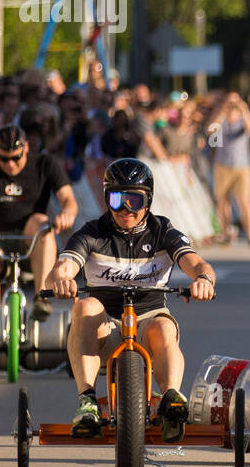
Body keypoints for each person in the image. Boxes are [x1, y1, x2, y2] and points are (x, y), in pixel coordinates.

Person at [47, 158, 217, 440]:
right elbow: (63, 267)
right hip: (106, 327)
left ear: (147, 202)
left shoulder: (163, 231)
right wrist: (61, 280)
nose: (126, 209)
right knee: (85, 305)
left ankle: (171, 399)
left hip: (150, 321)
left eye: (134, 201)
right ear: (106, 200)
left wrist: (203, 280)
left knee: (164, 328)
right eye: (117, 199)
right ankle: (87, 401)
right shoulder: (92, 232)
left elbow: (197, 264)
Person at [0, 125, 78, 366]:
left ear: (26, 148)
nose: (10, 164)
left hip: (32, 238)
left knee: (42, 223)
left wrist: (67, 214)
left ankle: (42, 297)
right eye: (3, 159)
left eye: (16, 158)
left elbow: (69, 201)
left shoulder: (45, 164)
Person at [209, 91, 250, 246]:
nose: (232, 105)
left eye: (235, 102)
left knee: (245, 201)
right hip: (222, 165)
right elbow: (211, 132)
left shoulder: (245, 118)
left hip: (242, 166)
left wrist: (245, 112)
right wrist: (223, 112)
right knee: (223, 201)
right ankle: (225, 234)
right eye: (229, 102)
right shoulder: (220, 118)